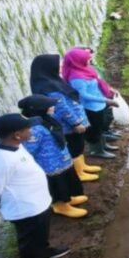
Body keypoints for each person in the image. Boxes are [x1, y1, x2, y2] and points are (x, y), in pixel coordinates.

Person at [0, 114, 70, 258]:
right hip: (26, 209)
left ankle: (44, 251)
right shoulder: (2, 160)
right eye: (27, 129)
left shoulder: (11, 144)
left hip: (37, 202)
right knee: (31, 243)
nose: (31, 131)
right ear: (17, 135)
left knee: (40, 236)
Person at [29, 54, 99, 182]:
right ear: (49, 67)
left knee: (79, 144)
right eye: (58, 65)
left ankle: (83, 167)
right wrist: (76, 123)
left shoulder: (52, 80)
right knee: (75, 146)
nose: (61, 66)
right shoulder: (48, 86)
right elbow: (62, 108)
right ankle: (79, 173)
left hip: (73, 121)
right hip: (68, 125)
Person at [18, 95, 88, 218]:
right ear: (38, 109)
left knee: (66, 181)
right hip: (50, 166)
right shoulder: (34, 129)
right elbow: (29, 151)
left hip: (61, 160)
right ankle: (60, 206)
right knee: (58, 186)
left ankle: (68, 199)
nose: (53, 108)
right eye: (49, 106)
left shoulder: (47, 120)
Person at [63, 47, 119, 160]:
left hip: (99, 105)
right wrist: (105, 100)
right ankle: (96, 151)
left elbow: (98, 82)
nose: (89, 60)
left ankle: (103, 146)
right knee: (95, 130)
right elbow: (84, 95)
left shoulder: (85, 70)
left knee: (101, 127)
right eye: (87, 59)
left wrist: (109, 90)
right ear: (78, 61)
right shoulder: (76, 78)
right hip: (91, 108)